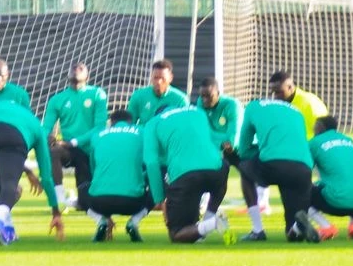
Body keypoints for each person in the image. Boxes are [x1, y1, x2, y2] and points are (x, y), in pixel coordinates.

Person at [0, 99, 64, 245]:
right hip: (13, 136)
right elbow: (46, 177)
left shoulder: (2, 104)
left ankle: (7, 230)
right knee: (10, 184)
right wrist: (55, 211)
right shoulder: (39, 130)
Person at [143, 104, 234, 245]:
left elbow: (151, 162)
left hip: (185, 176)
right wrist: (230, 140)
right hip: (217, 171)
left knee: (177, 233)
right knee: (223, 169)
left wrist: (160, 200)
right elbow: (215, 138)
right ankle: (208, 221)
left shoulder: (153, 123)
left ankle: (213, 222)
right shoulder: (197, 112)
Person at [235, 97, 318, 243]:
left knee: (245, 169)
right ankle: (298, 227)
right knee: (292, 234)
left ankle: (257, 230)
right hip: (303, 169)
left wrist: (250, 153)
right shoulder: (297, 111)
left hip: (273, 164)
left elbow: (243, 147)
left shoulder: (253, 107)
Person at [197, 75, 269, 233]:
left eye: (208, 96)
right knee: (217, 183)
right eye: (201, 96)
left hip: (245, 150)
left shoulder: (232, 105)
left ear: (218, 93)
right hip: (222, 149)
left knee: (248, 180)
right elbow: (203, 132)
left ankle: (258, 229)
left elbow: (234, 138)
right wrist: (220, 142)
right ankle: (205, 224)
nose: (204, 100)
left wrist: (219, 141)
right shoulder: (200, 104)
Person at [73, 110, 152, 242]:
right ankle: (134, 222)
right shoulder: (142, 132)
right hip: (133, 203)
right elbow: (149, 163)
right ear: (131, 123)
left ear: (111, 122)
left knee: (83, 187)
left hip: (99, 202)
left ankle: (100, 221)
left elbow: (94, 168)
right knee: (156, 184)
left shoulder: (97, 135)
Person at [41, 61, 108, 209]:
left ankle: (78, 200)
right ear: (67, 75)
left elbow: (99, 127)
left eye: (81, 68)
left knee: (87, 204)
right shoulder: (57, 99)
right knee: (54, 151)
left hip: (92, 150)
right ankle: (59, 199)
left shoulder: (97, 94)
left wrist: (73, 142)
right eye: (73, 68)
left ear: (87, 75)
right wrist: (47, 137)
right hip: (70, 151)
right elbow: (46, 128)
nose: (76, 70)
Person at [306, 115, 353, 240]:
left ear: (321, 128)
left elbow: (305, 170)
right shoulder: (349, 140)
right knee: (350, 184)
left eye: (315, 127)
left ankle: (326, 227)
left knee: (301, 193)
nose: (313, 130)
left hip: (336, 202)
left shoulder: (314, 142)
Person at [126, 58, 188, 126]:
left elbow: (183, 126)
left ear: (170, 78)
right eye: (156, 78)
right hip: (145, 135)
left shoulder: (180, 99)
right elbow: (129, 124)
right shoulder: (138, 95)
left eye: (162, 78)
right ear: (151, 77)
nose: (158, 82)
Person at [269, 70, 329, 138]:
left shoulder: (310, 102)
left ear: (290, 87)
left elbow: (325, 132)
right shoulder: (281, 105)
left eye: (278, 92)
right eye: (273, 93)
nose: (275, 96)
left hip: (310, 146)